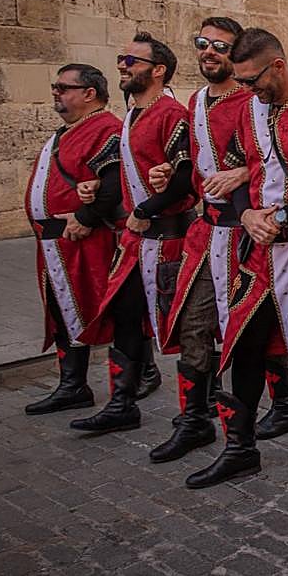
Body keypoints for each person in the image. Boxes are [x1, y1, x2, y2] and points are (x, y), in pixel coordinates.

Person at [185, 28, 288, 488]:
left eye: (253, 79)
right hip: (260, 250)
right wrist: (248, 213)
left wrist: (279, 216)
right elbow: (235, 178)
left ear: (278, 65)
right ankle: (240, 447)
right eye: (243, 80)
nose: (248, 89)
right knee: (244, 345)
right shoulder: (251, 111)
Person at [74, 33, 196, 434]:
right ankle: (122, 403)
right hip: (136, 240)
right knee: (125, 318)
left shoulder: (171, 114)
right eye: (123, 58)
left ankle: (199, 413)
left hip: (169, 239)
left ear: (158, 70)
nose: (123, 65)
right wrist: (94, 188)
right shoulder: (132, 115)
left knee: (190, 330)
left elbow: (185, 180)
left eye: (132, 60)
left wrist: (144, 210)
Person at [23, 65, 123, 415]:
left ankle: (133, 384)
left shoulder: (105, 129)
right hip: (55, 244)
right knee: (61, 312)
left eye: (64, 88)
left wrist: (86, 217)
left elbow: (115, 183)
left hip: (83, 240)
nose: (56, 93)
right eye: (55, 87)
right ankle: (72, 385)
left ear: (89, 94)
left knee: (109, 314)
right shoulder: (67, 132)